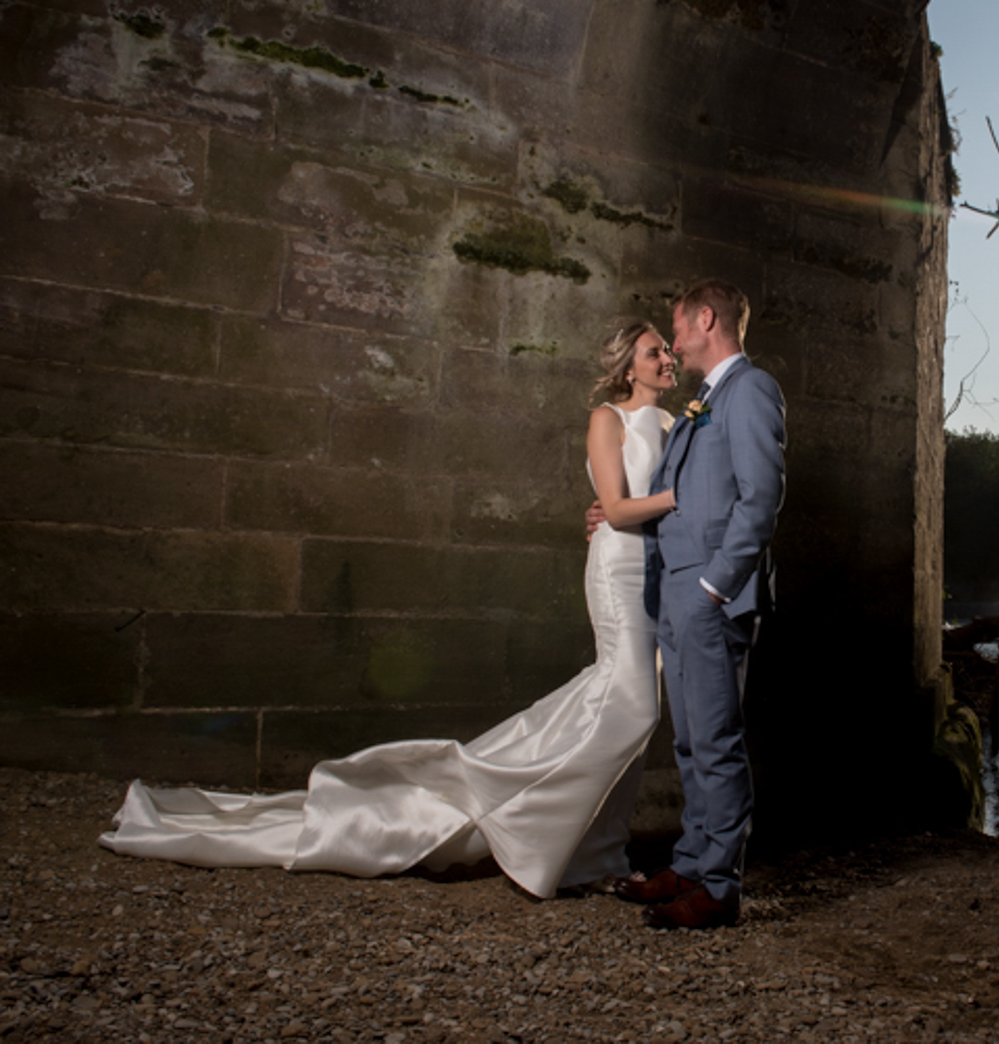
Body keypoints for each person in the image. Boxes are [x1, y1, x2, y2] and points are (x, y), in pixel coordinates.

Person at [99, 322, 679, 899]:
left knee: (624, 706)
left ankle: (597, 851)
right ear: (629, 366)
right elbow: (617, 508)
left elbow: (638, 503)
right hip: (620, 567)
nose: (668, 358)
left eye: (668, 351)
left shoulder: (676, 424)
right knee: (632, 706)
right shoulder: (610, 418)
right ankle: (530, 827)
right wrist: (672, 500)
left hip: (658, 570)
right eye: (656, 352)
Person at [612, 279, 786, 930]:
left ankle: (718, 887)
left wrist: (716, 585)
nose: (674, 341)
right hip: (677, 588)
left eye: (678, 329)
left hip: (711, 593)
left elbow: (759, 498)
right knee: (689, 741)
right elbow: (679, 491)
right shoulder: (703, 402)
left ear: (706, 320)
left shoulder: (751, 390)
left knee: (714, 741)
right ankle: (689, 864)